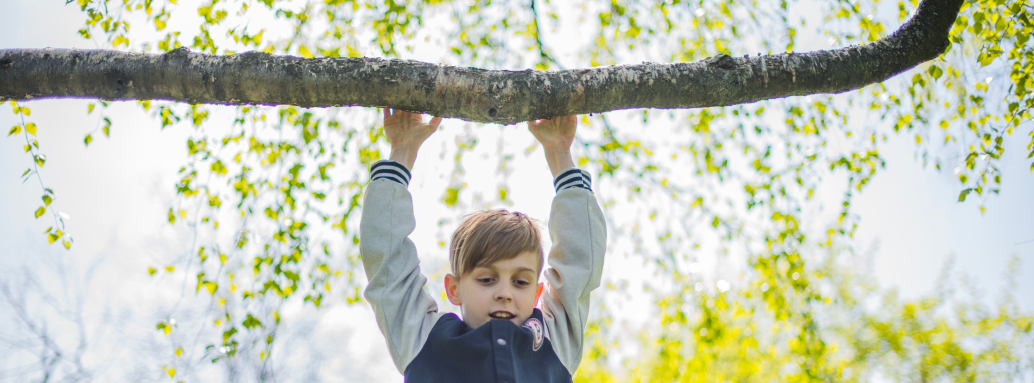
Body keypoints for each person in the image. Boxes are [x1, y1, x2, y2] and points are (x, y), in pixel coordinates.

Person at [359, 108, 607, 382]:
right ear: (454, 289)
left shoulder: (551, 343)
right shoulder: (426, 340)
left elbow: (580, 263)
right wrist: (402, 151)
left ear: (537, 293)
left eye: (521, 282)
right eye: (487, 279)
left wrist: (560, 153)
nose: (504, 293)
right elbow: (386, 258)